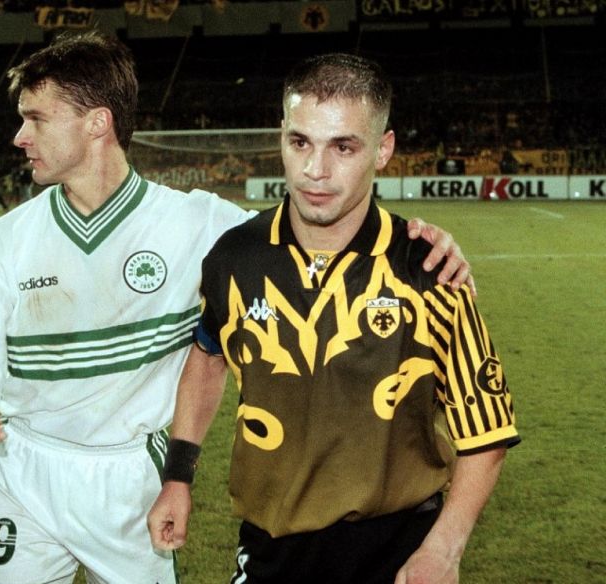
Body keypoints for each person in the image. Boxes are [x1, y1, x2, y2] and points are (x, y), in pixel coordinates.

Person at [0, 33, 473, 584]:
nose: (20, 136)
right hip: (24, 466)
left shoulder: (199, 224)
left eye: (36, 119)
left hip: (131, 479)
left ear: (97, 123)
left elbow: (310, 227)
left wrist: (424, 245)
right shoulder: (6, 241)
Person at [148, 53, 520, 584]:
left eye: (343, 147)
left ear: (383, 149)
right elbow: (208, 359)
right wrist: (178, 476)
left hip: (400, 549)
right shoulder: (235, 258)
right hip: (270, 546)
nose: (315, 170)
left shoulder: (429, 270)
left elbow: (487, 431)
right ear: (281, 135)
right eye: (300, 142)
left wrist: (444, 549)